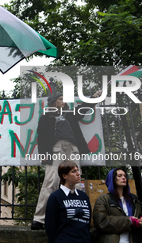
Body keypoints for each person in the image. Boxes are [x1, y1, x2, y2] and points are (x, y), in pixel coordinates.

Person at [31, 91, 102, 230]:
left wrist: (93, 98)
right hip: (56, 148)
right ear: (53, 102)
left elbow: (84, 108)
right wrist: (43, 154)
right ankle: (39, 219)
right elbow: (42, 136)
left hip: (73, 147)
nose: (63, 101)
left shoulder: (70, 114)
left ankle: (76, 217)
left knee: (76, 180)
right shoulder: (46, 117)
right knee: (51, 181)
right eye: (60, 98)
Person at [93, 168, 142, 243]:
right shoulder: (103, 199)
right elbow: (101, 222)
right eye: (119, 176)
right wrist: (129, 221)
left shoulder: (133, 199)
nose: (123, 178)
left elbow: (138, 219)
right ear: (112, 179)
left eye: (125, 176)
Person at [45, 160, 91, 243]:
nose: (78, 174)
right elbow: (50, 226)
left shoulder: (84, 197)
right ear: (64, 175)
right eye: (74, 171)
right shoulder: (55, 197)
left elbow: (88, 223)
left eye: (78, 170)